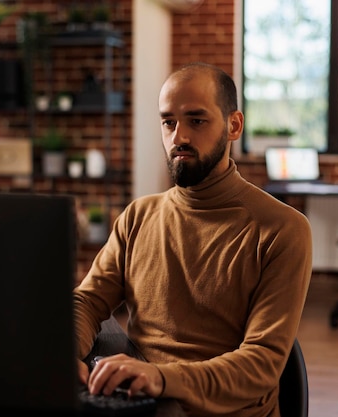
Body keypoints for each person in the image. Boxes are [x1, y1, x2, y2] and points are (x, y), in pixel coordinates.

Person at [73, 62, 312, 417]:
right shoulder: (138, 216)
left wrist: (162, 378)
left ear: (234, 125)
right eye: (168, 122)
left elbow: (261, 365)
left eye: (196, 121)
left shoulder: (282, 229)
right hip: (141, 404)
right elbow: (88, 301)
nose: (178, 137)